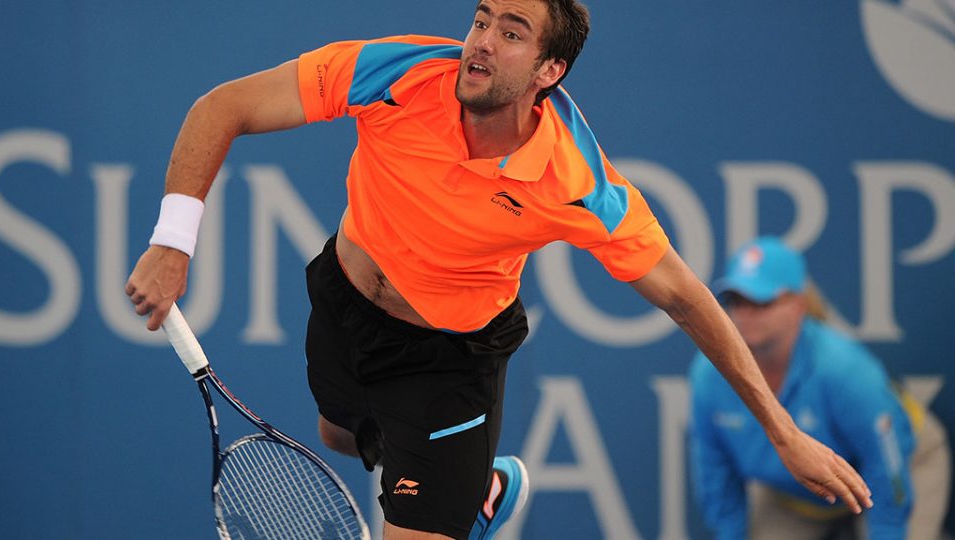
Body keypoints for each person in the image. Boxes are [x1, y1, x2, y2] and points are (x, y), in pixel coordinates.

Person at [124, 1, 873, 538]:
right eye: (481, 19)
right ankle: (476, 485)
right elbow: (224, 106)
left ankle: (461, 490)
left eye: (511, 33)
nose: (480, 42)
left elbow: (686, 298)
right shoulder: (396, 73)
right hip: (343, 302)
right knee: (340, 434)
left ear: (550, 69)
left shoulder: (577, 183)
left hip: (448, 361)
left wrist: (782, 434)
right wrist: (172, 241)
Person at [689, 237, 951, 540]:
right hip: (800, 494)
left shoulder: (844, 370)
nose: (746, 314)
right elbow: (716, 478)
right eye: (736, 302)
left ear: (798, 306)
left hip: (904, 464)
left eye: (762, 302)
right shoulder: (709, 375)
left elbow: (887, 467)